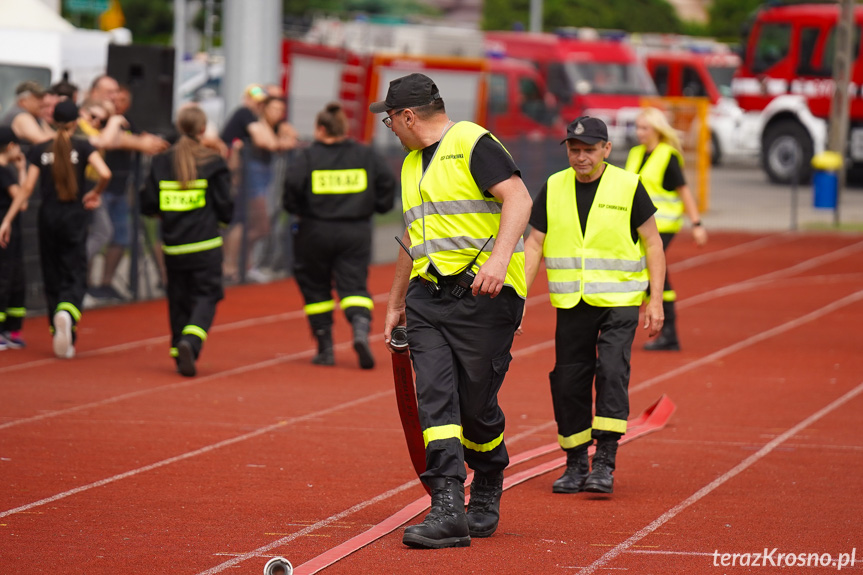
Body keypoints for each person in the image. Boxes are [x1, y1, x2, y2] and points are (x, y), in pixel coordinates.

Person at [372, 73, 532, 548]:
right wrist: (397, 301)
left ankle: (487, 481)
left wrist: (499, 261)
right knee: (436, 397)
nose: (389, 127)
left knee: (476, 403)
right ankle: (446, 503)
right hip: (429, 296)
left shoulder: (471, 141)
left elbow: (519, 198)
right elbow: (412, 238)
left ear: (408, 115)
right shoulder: (410, 166)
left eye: (389, 118)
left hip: (486, 295)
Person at [520, 116, 666, 495]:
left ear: (606, 149)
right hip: (572, 302)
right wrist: (518, 293)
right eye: (574, 149)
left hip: (620, 299)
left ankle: (604, 461)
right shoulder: (553, 186)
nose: (580, 157)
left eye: (588, 150)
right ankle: (574, 462)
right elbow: (534, 243)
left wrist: (656, 299)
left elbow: (653, 242)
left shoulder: (628, 186)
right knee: (569, 381)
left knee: (613, 371)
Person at [283, 102, 395, 369]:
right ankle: (359, 330)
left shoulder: (309, 157)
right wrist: (378, 206)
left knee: (315, 287)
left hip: (314, 231)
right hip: (354, 231)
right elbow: (387, 183)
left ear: (321, 129)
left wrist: (298, 210)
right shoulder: (364, 155)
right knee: (354, 285)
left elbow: (291, 188)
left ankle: (325, 349)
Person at [6, 100, 111, 358]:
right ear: (76, 123)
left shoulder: (40, 149)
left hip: (48, 216)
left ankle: (59, 329)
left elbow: (28, 188)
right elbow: (105, 173)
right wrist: (95, 192)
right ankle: (67, 314)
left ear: (52, 121)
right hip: (74, 215)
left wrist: (7, 219)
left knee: (51, 274)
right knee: (74, 271)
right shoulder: (83, 146)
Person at [140, 105, 233, 377]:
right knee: (208, 295)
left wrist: (164, 215)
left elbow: (147, 203)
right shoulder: (213, 161)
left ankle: (177, 347)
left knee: (178, 298)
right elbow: (225, 203)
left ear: (180, 127)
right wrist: (222, 223)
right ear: (203, 130)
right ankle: (190, 342)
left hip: (173, 245)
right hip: (205, 245)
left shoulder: (160, 162)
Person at [625, 107, 708, 351]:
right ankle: (665, 331)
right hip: (638, 224)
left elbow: (684, 190)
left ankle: (666, 329)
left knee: (650, 270)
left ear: (657, 130)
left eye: (644, 128)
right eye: (637, 127)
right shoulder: (634, 154)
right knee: (653, 273)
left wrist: (697, 223)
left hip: (663, 224)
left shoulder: (667, 156)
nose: (639, 133)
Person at [86, 75, 169, 302]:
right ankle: (82, 283)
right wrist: (139, 143)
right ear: (93, 92)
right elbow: (105, 140)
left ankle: (105, 283)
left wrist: (147, 141)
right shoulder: (91, 116)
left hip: (119, 187)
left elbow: (134, 136)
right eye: (110, 93)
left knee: (120, 236)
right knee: (98, 234)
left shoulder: (123, 118)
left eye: (118, 95)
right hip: (95, 187)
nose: (114, 99)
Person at [221, 86, 292, 283]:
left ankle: (241, 264)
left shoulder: (257, 119)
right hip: (241, 179)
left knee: (246, 222)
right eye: (256, 101)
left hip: (248, 178)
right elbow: (268, 142)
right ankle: (231, 266)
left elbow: (289, 137)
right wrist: (278, 141)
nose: (259, 105)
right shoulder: (246, 114)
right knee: (247, 223)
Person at [0, 127, 28, 350]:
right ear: (11, 147)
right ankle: (5, 330)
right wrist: (22, 170)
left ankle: (11, 329)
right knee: (6, 278)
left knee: (16, 279)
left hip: (10, 233)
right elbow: (22, 199)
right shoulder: (5, 171)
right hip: (6, 234)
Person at [0, 81, 55, 147]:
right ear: (23, 101)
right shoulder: (21, 116)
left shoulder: (36, 116)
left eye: (42, 97)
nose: (42, 102)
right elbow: (43, 141)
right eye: (37, 98)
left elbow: (54, 136)